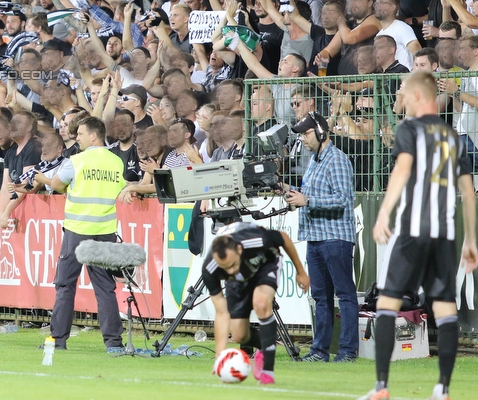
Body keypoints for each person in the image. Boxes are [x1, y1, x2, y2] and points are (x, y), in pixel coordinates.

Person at [361, 71, 477, 400]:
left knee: (387, 303)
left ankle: (381, 387)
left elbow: (403, 168)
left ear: (417, 96)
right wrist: (470, 240)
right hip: (445, 233)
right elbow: (468, 193)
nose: (401, 98)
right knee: (444, 308)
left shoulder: (409, 128)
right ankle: (442, 389)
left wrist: (384, 212)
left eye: (403, 93)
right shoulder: (454, 136)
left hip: (412, 229)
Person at [283, 112, 358, 364]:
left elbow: (343, 199)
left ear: (321, 132)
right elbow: (310, 193)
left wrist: (307, 200)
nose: (302, 139)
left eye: (305, 133)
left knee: (345, 295)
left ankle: (347, 351)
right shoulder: (314, 160)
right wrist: (287, 190)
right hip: (316, 236)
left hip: (335, 236)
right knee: (320, 298)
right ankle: (319, 351)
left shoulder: (336, 159)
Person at [47, 116, 126, 353]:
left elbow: (57, 184)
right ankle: (113, 343)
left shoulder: (77, 160)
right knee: (105, 288)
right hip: (104, 231)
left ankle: (58, 340)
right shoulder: (116, 162)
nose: (76, 138)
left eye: (80, 134)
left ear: (93, 135)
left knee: (65, 286)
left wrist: (48, 181)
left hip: (77, 232)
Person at [204, 222, 309, 386]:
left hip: (265, 265)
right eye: (225, 268)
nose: (230, 271)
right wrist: (220, 355)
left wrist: (300, 271)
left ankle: (268, 371)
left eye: (232, 265)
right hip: (238, 282)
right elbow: (221, 312)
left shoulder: (257, 240)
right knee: (239, 335)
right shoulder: (210, 269)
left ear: (239, 249)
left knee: (261, 303)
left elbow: (284, 238)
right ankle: (265, 345)